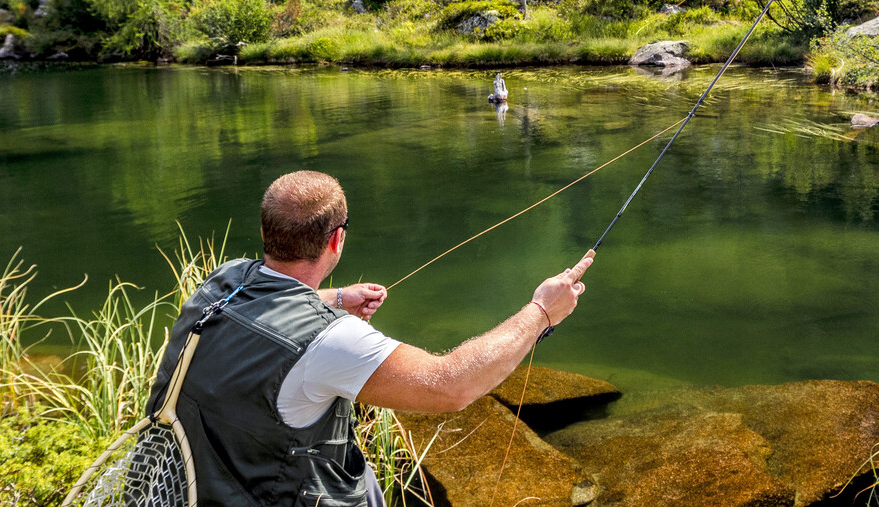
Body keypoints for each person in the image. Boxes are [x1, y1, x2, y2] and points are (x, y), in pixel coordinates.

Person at [145, 170, 594, 507]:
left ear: (265, 232)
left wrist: (336, 298)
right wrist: (540, 313)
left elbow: (266, 310)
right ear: (336, 241)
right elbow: (450, 384)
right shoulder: (333, 342)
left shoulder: (225, 281)